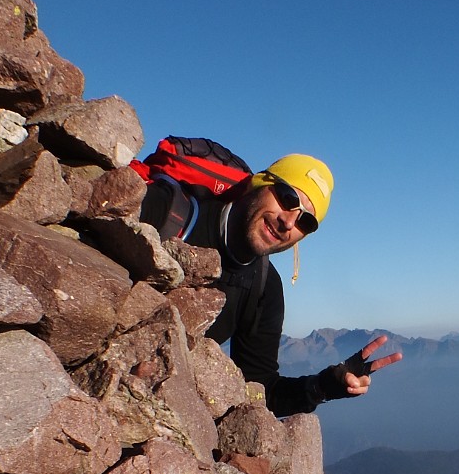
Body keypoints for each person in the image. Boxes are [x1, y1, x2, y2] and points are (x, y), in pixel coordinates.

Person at [139, 152, 401, 417]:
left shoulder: (264, 286)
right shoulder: (166, 211)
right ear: (261, 183)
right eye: (288, 198)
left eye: (305, 221)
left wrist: (326, 385)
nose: (288, 222)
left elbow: (261, 388)